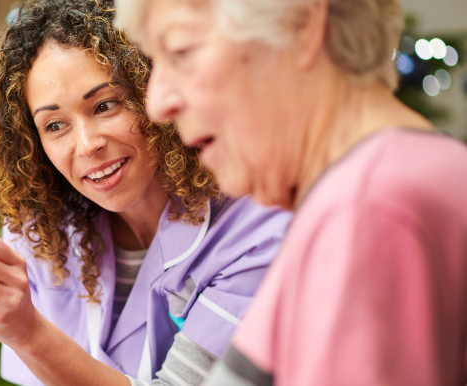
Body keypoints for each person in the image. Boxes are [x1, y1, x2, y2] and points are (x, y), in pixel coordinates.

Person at [0, 1, 292, 385]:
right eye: (54, 126)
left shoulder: (255, 230)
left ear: (154, 89)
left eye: (105, 105)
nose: (86, 145)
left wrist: (29, 332)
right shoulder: (41, 236)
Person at [116, 0, 467, 385]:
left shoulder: (367, 208)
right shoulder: (400, 177)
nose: (157, 104)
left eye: (182, 51)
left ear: (301, 25)